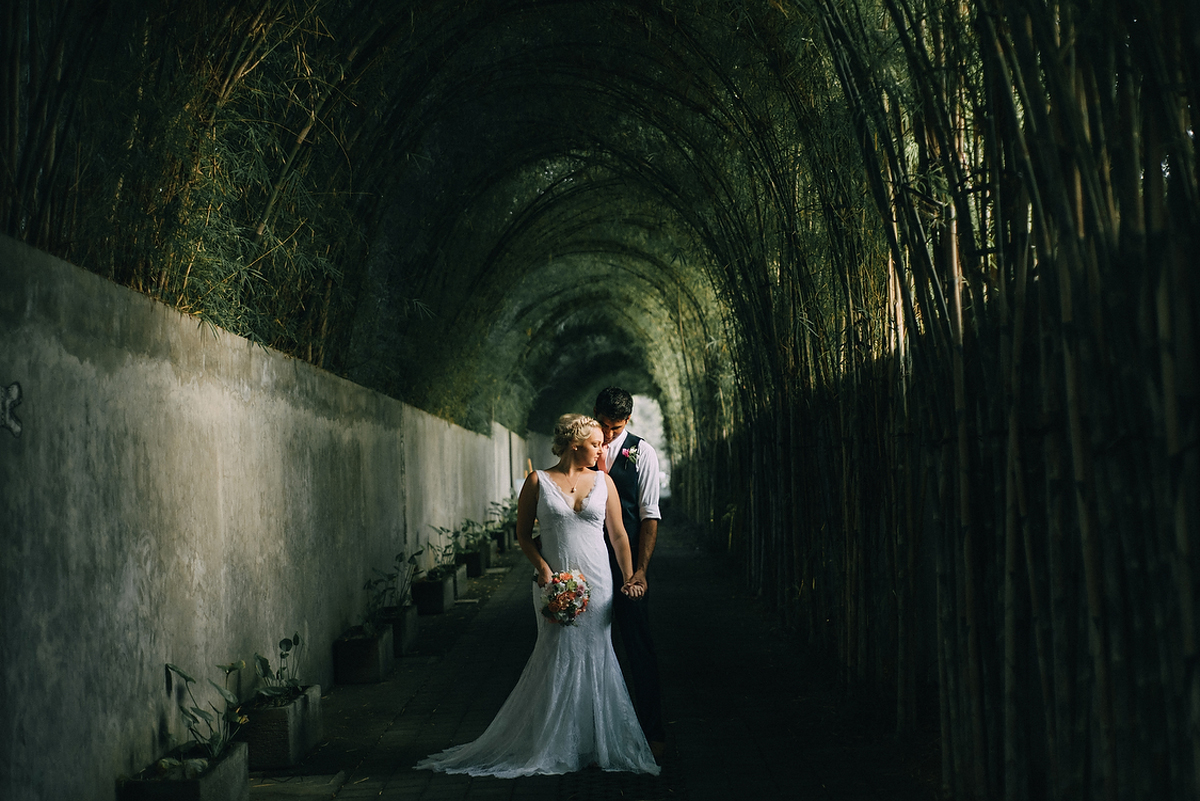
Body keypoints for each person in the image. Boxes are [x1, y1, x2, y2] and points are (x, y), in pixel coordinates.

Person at [415, 414, 661, 777]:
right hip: (554, 582)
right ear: (575, 445)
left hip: (599, 583)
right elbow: (523, 535)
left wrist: (629, 577)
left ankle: (596, 743)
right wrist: (544, 570)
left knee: (597, 656)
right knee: (556, 655)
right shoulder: (537, 482)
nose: (602, 448)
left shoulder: (604, 481)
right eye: (595, 443)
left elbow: (620, 536)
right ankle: (555, 741)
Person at [592, 386, 666, 760]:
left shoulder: (643, 453)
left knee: (639, 647)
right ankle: (594, 733)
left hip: (626, 568)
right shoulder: (581, 446)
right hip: (588, 563)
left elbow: (649, 515)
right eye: (603, 425)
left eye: (615, 428)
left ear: (628, 422)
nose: (606, 435)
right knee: (591, 649)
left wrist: (640, 571)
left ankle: (652, 732)